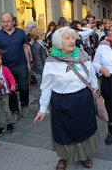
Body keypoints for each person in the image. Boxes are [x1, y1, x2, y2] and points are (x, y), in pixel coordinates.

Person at [34, 27, 99, 169]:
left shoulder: (83, 55)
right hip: (61, 102)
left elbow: (92, 76)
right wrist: (42, 109)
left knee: (83, 129)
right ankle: (63, 157)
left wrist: (96, 93)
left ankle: (83, 155)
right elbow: (46, 87)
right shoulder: (51, 61)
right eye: (67, 38)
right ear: (58, 42)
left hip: (82, 99)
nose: (72, 41)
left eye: (72, 38)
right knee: (63, 131)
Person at [0, 12, 31, 120]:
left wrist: (28, 63)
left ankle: (24, 105)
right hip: (6, 67)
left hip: (21, 64)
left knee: (24, 88)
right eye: (3, 21)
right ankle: (14, 111)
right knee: (11, 90)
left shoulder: (21, 33)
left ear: (13, 21)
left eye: (8, 21)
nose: (6, 24)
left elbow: (25, 47)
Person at [31, 28, 48, 99]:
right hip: (39, 70)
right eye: (43, 34)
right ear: (39, 36)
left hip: (41, 68)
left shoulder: (40, 44)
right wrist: (42, 71)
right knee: (41, 88)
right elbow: (38, 61)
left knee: (42, 87)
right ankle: (41, 106)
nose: (44, 35)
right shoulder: (37, 45)